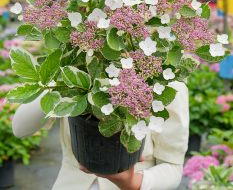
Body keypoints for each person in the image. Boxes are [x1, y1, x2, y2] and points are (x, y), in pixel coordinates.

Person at [12, 80, 189, 190]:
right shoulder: (74, 71)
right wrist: (61, 77)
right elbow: (20, 129)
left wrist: (133, 183)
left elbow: (173, 168)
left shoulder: (166, 83)